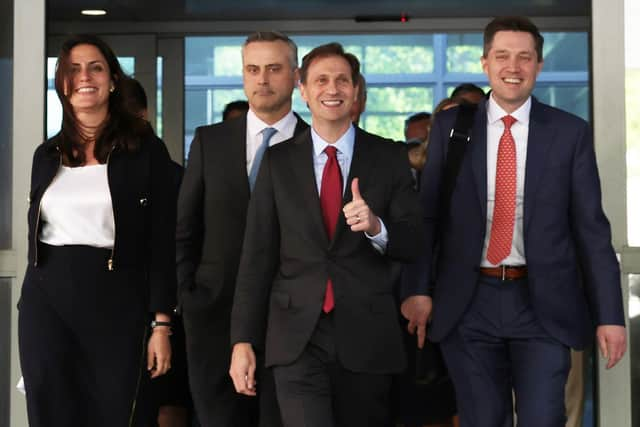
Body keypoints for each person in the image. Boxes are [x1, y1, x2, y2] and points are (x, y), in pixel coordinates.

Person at [401, 16, 626, 427]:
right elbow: (427, 216)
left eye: (525, 57)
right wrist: (417, 289)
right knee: (482, 419)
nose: (513, 66)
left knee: (543, 417)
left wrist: (611, 314)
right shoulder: (453, 128)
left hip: (543, 305)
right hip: (469, 301)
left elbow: (591, 230)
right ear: (485, 63)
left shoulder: (569, 132)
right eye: (502, 56)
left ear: (539, 66)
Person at [229, 42, 421, 427]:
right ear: (303, 89)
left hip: (367, 335)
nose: (332, 89)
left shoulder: (388, 157)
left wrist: (376, 227)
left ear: (355, 90)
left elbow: (414, 240)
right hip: (296, 337)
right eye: (321, 80)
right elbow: (257, 256)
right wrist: (242, 341)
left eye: (341, 81)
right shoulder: (278, 162)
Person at [18, 34, 177, 427]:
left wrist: (161, 323)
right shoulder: (46, 154)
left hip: (118, 301)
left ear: (112, 81)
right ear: (61, 83)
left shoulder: (145, 151)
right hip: (47, 301)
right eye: (73, 69)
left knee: (118, 412)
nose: (84, 77)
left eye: (96, 67)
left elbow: (161, 242)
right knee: (51, 411)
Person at [176, 31, 308, 427]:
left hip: (291, 322)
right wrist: (189, 295)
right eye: (253, 69)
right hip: (212, 317)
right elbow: (185, 228)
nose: (262, 79)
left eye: (273, 68)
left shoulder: (316, 145)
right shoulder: (209, 142)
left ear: (295, 76)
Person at [120, 76, 193, 427]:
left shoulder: (171, 175)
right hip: (110, 308)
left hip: (167, 305)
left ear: (143, 115)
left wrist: (164, 322)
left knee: (167, 399)